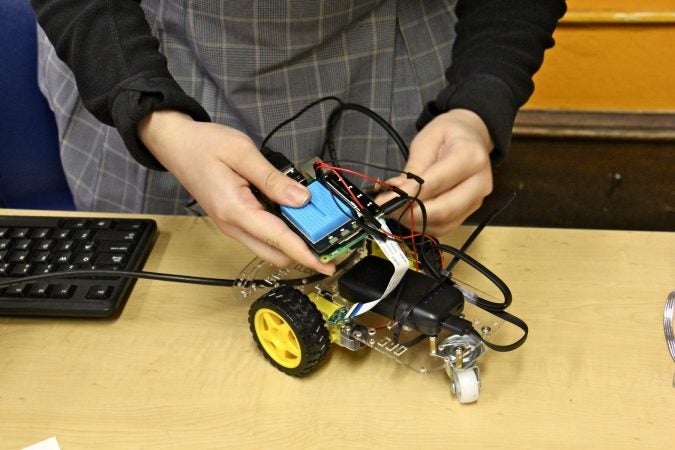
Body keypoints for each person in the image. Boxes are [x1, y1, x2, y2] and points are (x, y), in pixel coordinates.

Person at [31, 0, 566, 275]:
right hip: (146, 59)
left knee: (384, 275)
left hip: (394, 53)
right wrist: (153, 117)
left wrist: (479, 101)